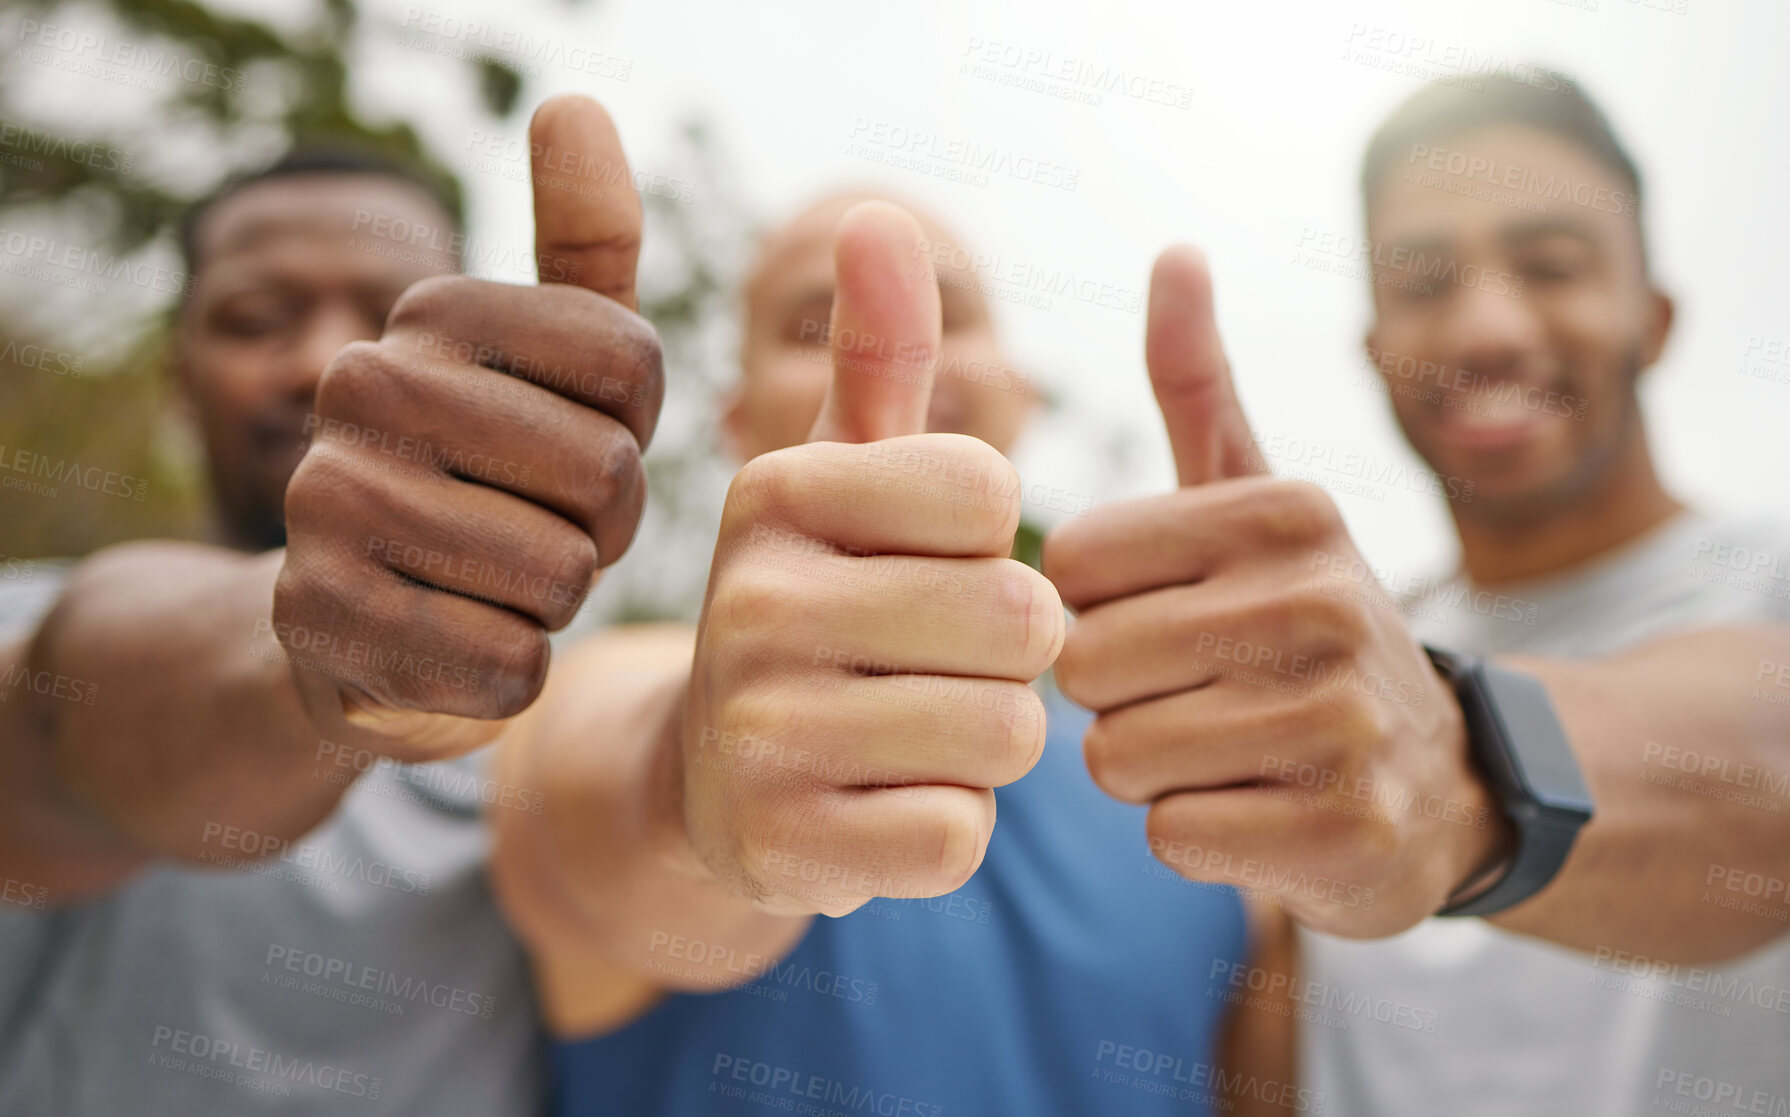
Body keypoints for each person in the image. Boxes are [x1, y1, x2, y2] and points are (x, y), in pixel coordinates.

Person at [1038, 72, 1790, 1114]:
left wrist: (1451, 769)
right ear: (1374, 346)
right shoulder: (1330, 682)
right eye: (1424, 282)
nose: (1485, 326)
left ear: (1652, 318)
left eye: (1549, 266)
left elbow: (1759, 763)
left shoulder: (1767, 578)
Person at [479, 192, 1292, 1115]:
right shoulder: (620, 686)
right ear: (735, 423)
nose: (894, 344)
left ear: (1021, 391)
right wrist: (689, 792)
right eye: (807, 326)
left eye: (954, 312)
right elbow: (600, 814)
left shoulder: (1190, 818)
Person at [0, 95, 662, 1114]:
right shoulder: (27, 635)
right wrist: (319, 667)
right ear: (179, 380)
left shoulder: (563, 725)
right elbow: (58, 735)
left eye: (393, 317)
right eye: (255, 318)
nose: (323, 362)